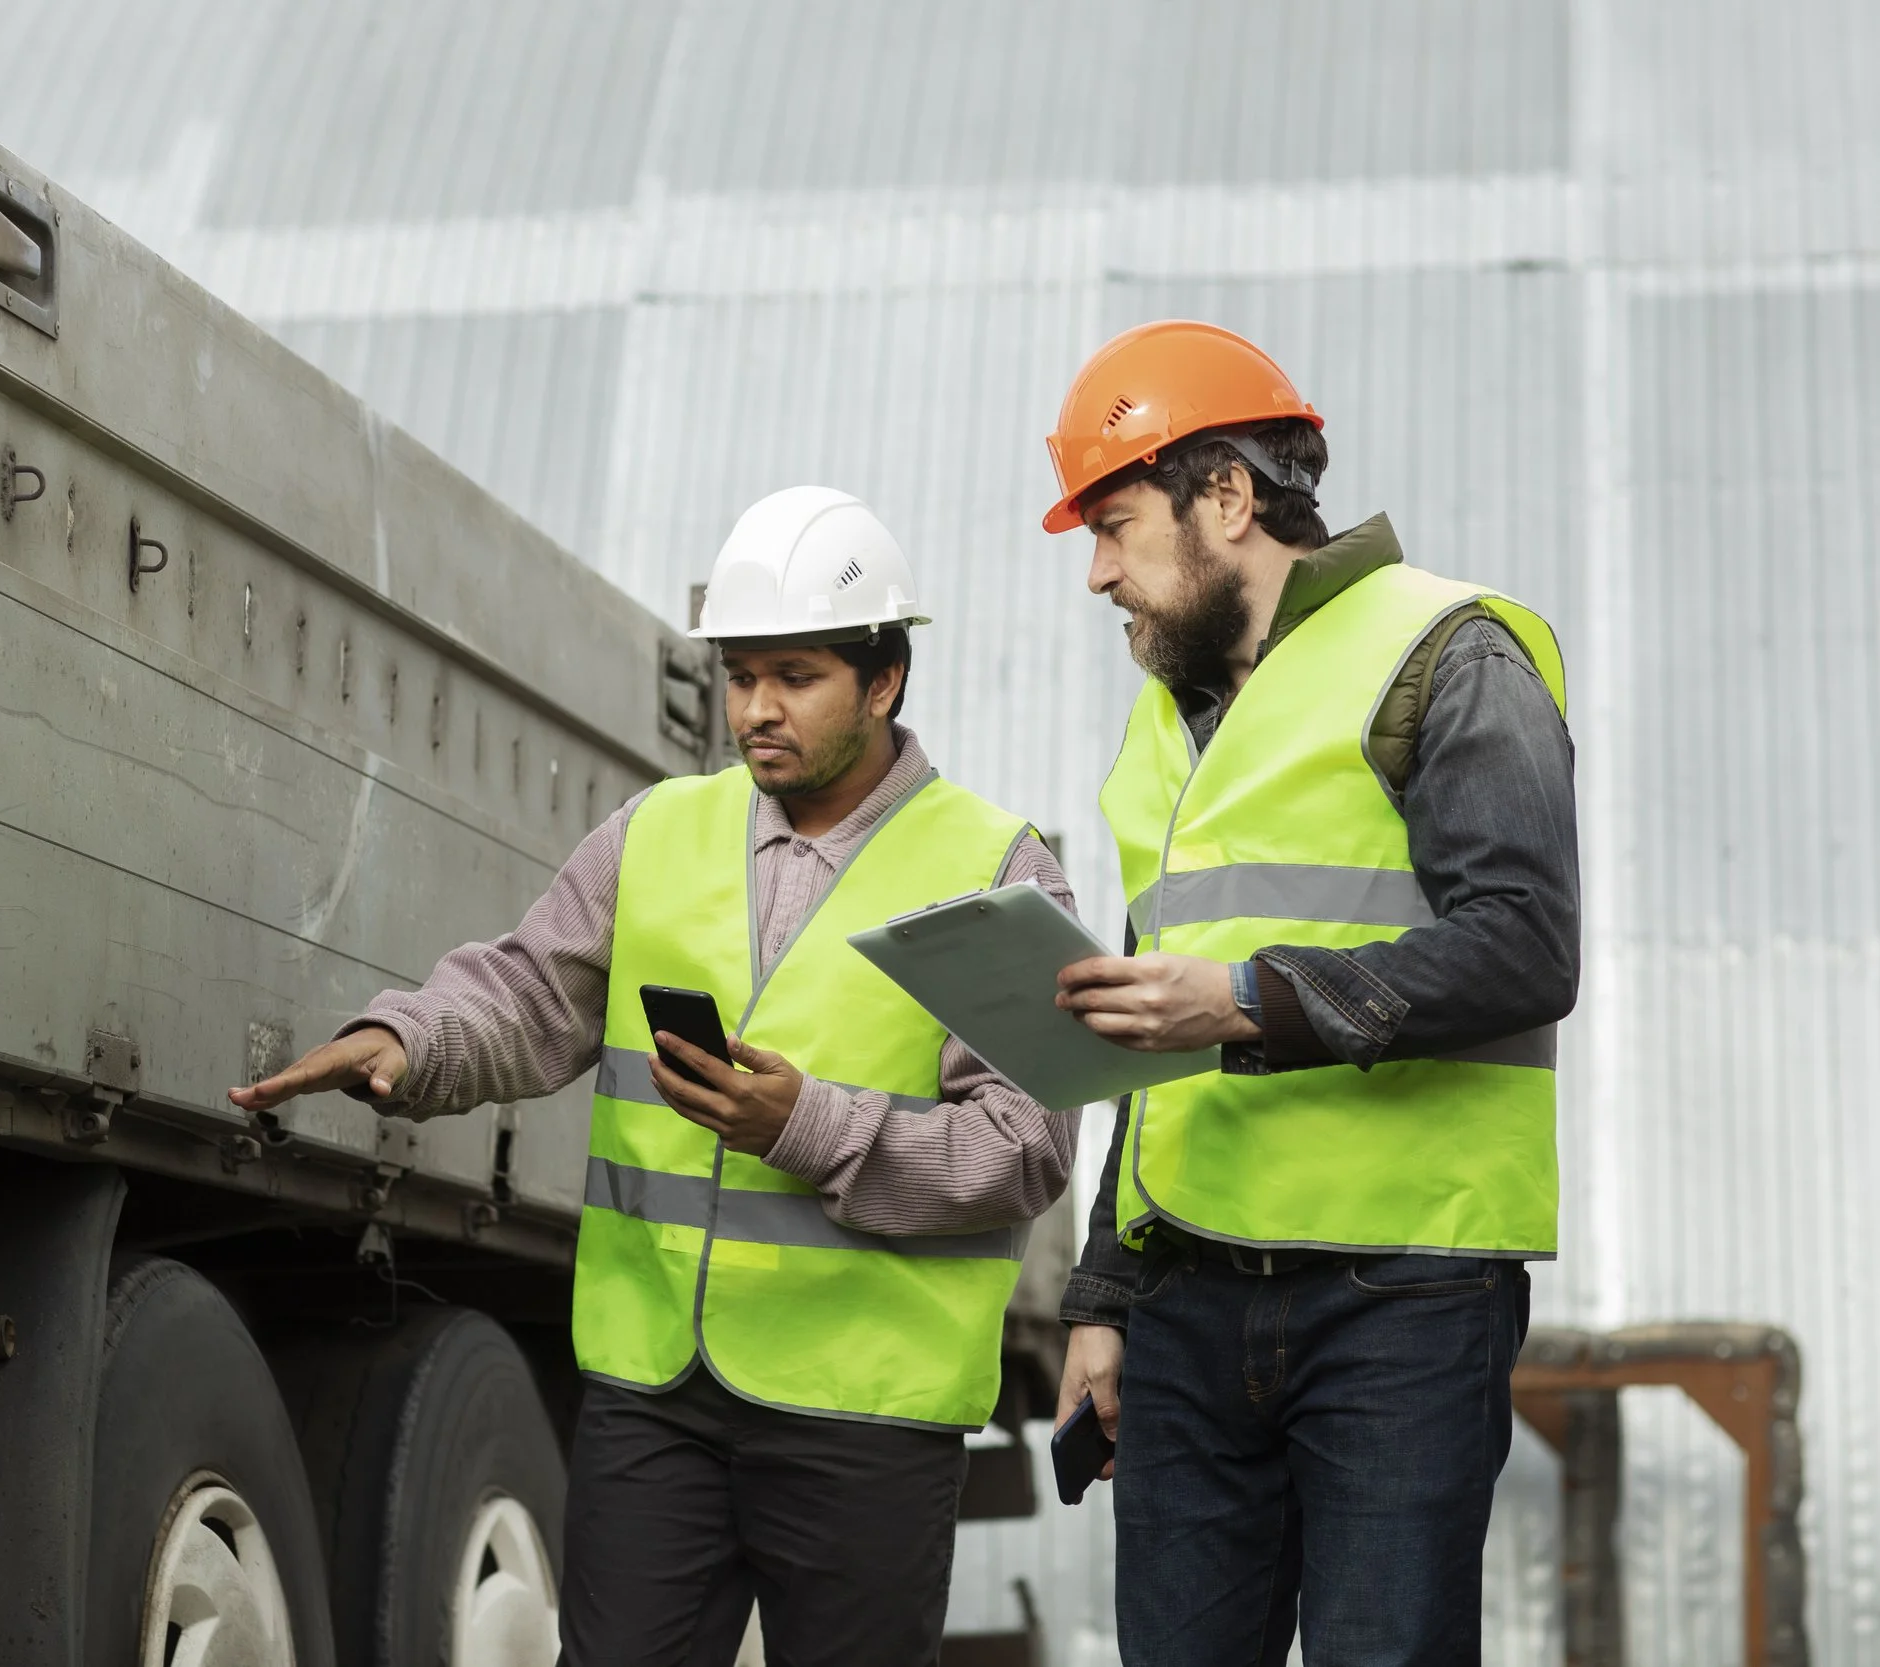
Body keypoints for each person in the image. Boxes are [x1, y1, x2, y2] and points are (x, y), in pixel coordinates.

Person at [233, 485, 1077, 1667]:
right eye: (739, 677)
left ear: (882, 681)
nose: (756, 710)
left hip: (864, 1417)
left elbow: (1024, 1145)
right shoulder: (657, 831)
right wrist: (409, 1043)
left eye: (794, 676)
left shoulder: (995, 866)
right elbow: (528, 994)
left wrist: (808, 1123)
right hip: (655, 1396)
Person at [1039, 320, 1579, 1665]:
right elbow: (1146, 1040)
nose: (1098, 571)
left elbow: (1524, 944)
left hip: (1399, 1302)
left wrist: (1242, 1000)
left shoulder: (1448, 653)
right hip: (1184, 1310)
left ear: (1226, 495)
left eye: (1114, 525)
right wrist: (1103, 1293)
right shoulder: (1163, 730)